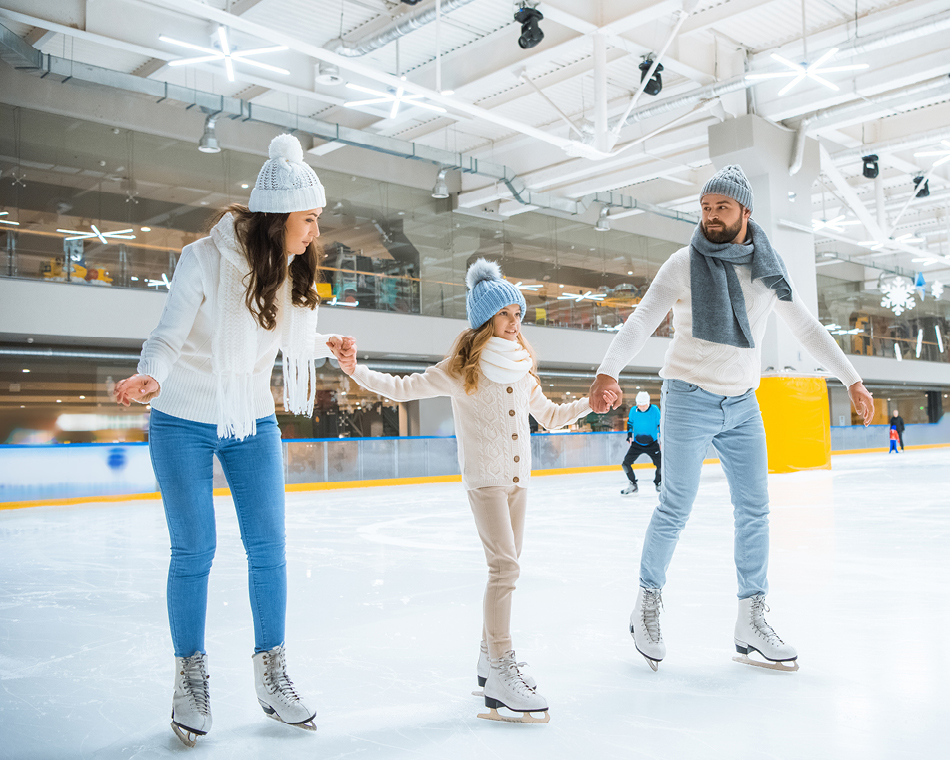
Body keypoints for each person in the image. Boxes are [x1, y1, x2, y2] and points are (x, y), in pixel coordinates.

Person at [588, 165, 873, 673]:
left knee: (755, 510)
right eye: (704, 207)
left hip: (743, 404)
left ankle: (751, 618)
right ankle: (646, 604)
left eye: (721, 207)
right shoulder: (682, 264)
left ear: (745, 211)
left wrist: (850, 377)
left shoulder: (767, 269)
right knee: (675, 506)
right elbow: (641, 319)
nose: (711, 216)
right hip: (688, 397)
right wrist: (607, 370)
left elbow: (806, 327)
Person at [112, 135, 335, 747]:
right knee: (195, 552)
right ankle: (190, 675)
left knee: (269, 547)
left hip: (252, 419)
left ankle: (272, 674)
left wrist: (325, 344)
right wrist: (150, 375)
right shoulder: (202, 259)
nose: (315, 231)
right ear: (277, 218)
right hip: (182, 415)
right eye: (308, 219)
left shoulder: (288, 271)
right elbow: (168, 333)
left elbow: (282, 337)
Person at [337, 259, 590, 724]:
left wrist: (587, 404)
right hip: (486, 479)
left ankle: (485, 656)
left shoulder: (521, 366)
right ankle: (499, 666)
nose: (517, 322)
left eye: (519, 313)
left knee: (507, 568)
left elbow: (550, 416)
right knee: (505, 568)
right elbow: (401, 387)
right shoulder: (460, 369)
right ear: (485, 319)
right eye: (507, 314)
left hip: (518, 481)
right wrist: (356, 371)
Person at [621, 390, 661, 495]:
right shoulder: (633, 410)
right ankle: (633, 485)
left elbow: (660, 425)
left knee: (661, 465)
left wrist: (662, 440)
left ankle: (659, 483)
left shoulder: (655, 410)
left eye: (644, 405)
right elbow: (630, 423)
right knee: (626, 464)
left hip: (652, 443)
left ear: (648, 403)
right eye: (640, 405)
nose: (642, 408)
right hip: (637, 443)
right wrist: (629, 435)